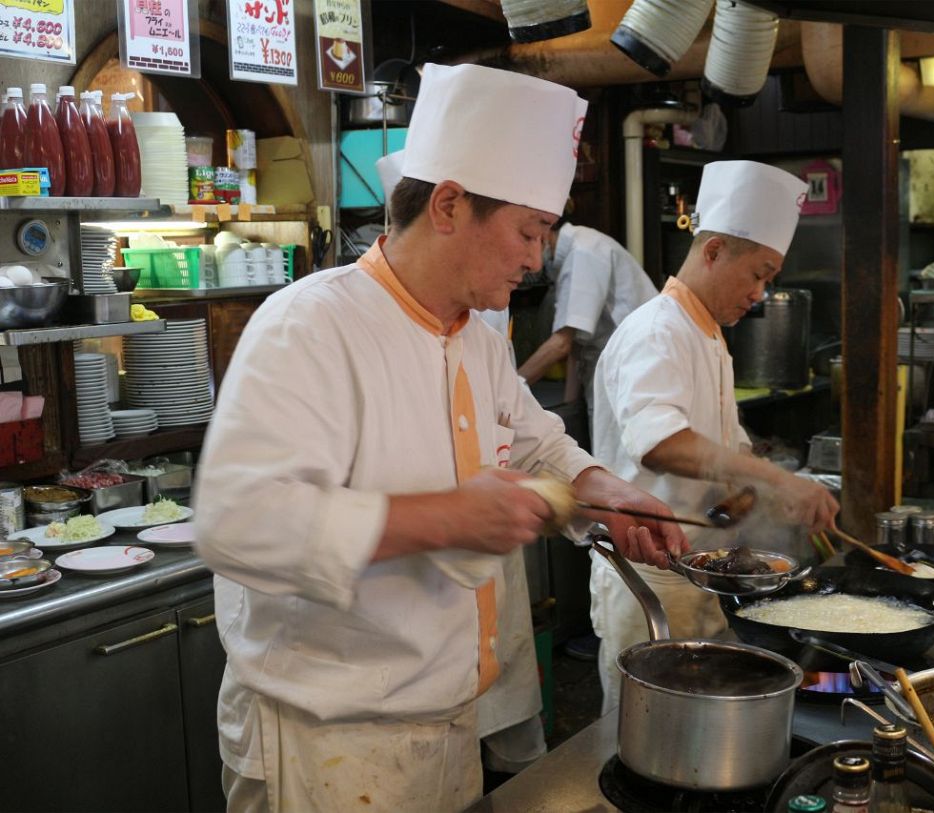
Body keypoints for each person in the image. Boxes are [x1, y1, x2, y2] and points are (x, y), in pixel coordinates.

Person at [193, 62, 686, 813]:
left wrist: (608, 495)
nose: (535, 258)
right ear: (450, 205)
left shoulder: (477, 340)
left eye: (546, 234)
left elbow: (538, 443)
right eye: (529, 230)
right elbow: (239, 520)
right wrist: (447, 515)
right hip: (328, 741)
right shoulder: (311, 325)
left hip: (446, 725)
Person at [588, 160, 840, 712]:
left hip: (699, 575)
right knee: (641, 733)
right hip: (650, 578)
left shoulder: (710, 337)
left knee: (694, 731)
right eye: (758, 274)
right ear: (712, 252)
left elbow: (726, 456)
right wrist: (777, 478)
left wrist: (765, 497)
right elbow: (661, 443)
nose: (760, 292)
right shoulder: (658, 330)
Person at [516, 218, 658, 411]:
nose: (529, 263)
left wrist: (510, 387)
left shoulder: (583, 252)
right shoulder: (573, 251)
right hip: (619, 370)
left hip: (632, 370)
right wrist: (569, 405)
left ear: (542, 235)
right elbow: (576, 342)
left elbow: (561, 344)